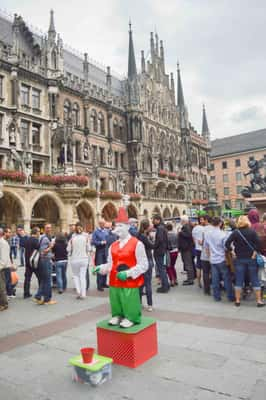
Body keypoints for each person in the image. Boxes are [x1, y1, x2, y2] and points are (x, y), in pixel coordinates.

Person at [93, 207, 148, 328]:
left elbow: (144, 264)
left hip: (129, 282)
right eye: (116, 226)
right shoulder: (113, 245)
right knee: (115, 299)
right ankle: (117, 315)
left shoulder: (137, 243)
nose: (117, 229)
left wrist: (128, 273)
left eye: (120, 226)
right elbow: (110, 264)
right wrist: (100, 268)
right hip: (114, 281)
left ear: (128, 227)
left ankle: (131, 317)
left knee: (129, 300)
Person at [225, 215, 264, 307]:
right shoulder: (252, 232)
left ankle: (238, 300)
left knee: (239, 279)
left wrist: (232, 251)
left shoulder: (236, 232)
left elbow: (227, 243)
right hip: (251, 259)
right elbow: (259, 244)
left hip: (239, 259)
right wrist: (255, 252)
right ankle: (259, 301)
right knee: (254, 279)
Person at [204, 217, 234, 303]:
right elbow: (226, 247)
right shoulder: (223, 234)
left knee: (215, 279)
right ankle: (230, 296)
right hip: (222, 258)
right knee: (226, 279)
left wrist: (209, 257)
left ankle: (216, 296)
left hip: (213, 259)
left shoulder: (207, 234)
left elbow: (206, 247)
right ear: (220, 223)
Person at [34, 223, 56, 305]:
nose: (49, 229)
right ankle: (47, 299)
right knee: (47, 280)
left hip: (45, 260)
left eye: (50, 228)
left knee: (44, 280)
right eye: (47, 228)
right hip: (45, 261)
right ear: (44, 228)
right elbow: (43, 252)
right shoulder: (45, 238)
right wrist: (51, 246)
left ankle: (39, 296)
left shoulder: (42, 237)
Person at [68, 222, 91, 299]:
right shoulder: (86, 236)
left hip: (74, 259)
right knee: (82, 277)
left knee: (76, 276)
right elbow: (89, 248)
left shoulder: (72, 237)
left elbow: (68, 249)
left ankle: (78, 292)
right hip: (84, 258)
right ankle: (83, 294)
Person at [137, 219, 154, 311]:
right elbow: (152, 245)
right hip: (147, 260)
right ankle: (150, 304)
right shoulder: (144, 237)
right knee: (147, 283)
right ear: (146, 227)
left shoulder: (138, 235)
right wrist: (151, 239)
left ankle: (139, 303)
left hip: (139, 261)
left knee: (140, 283)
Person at [152, 214, 170, 293]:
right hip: (163, 250)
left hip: (159, 251)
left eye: (154, 220)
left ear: (158, 220)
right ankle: (166, 285)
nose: (153, 221)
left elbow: (159, 239)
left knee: (161, 269)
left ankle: (164, 286)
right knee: (163, 268)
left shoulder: (160, 228)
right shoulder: (163, 227)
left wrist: (154, 246)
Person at [91, 219, 109, 291]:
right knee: (99, 267)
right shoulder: (96, 232)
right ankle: (99, 284)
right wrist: (101, 242)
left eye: (104, 224)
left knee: (105, 267)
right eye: (103, 224)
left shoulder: (106, 231)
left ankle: (104, 283)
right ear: (100, 224)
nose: (104, 225)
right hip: (99, 251)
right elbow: (93, 241)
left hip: (106, 251)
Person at [24, 227, 41, 299]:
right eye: (39, 232)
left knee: (27, 278)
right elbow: (39, 249)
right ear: (36, 232)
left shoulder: (27, 240)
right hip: (34, 262)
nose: (39, 233)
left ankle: (26, 293)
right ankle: (41, 292)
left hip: (28, 262)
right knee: (40, 278)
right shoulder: (36, 240)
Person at [178, 215, 195, 286]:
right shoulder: (187, 226)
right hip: (187, 248)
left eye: (181, 221)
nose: (180, 222)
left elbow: (188, 235)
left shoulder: (186, 227)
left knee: (188, 264)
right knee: (188, 263)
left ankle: (190, 279)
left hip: (186, 248)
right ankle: (190, 278)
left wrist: (180, 232)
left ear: (183, 221)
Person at [0, 228, 12, 310]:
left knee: (2, 287)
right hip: (4, 267)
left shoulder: (3, 243)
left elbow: (4, 258)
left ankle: (4, 304)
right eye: (9, 232)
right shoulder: (3, 242)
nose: (10, 234)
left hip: (2, 268)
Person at [200, 215, 213, 295]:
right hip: (214, 255)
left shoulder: (204, 230)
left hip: (204, 254)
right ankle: (216, 287)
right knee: (214, 272)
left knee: (205, 272)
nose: (201, 221)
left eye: (203, 220)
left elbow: (203, 242)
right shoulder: (215, 229)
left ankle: (206, 290)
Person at [192, 217, 205, 288]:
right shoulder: (205, 228)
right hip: (204, 249)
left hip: (197, 249)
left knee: (198, 266)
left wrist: (196, 244)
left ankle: (199, 282)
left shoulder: (194, 228)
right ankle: (207, 281)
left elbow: (193, 240)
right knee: (206, 267)